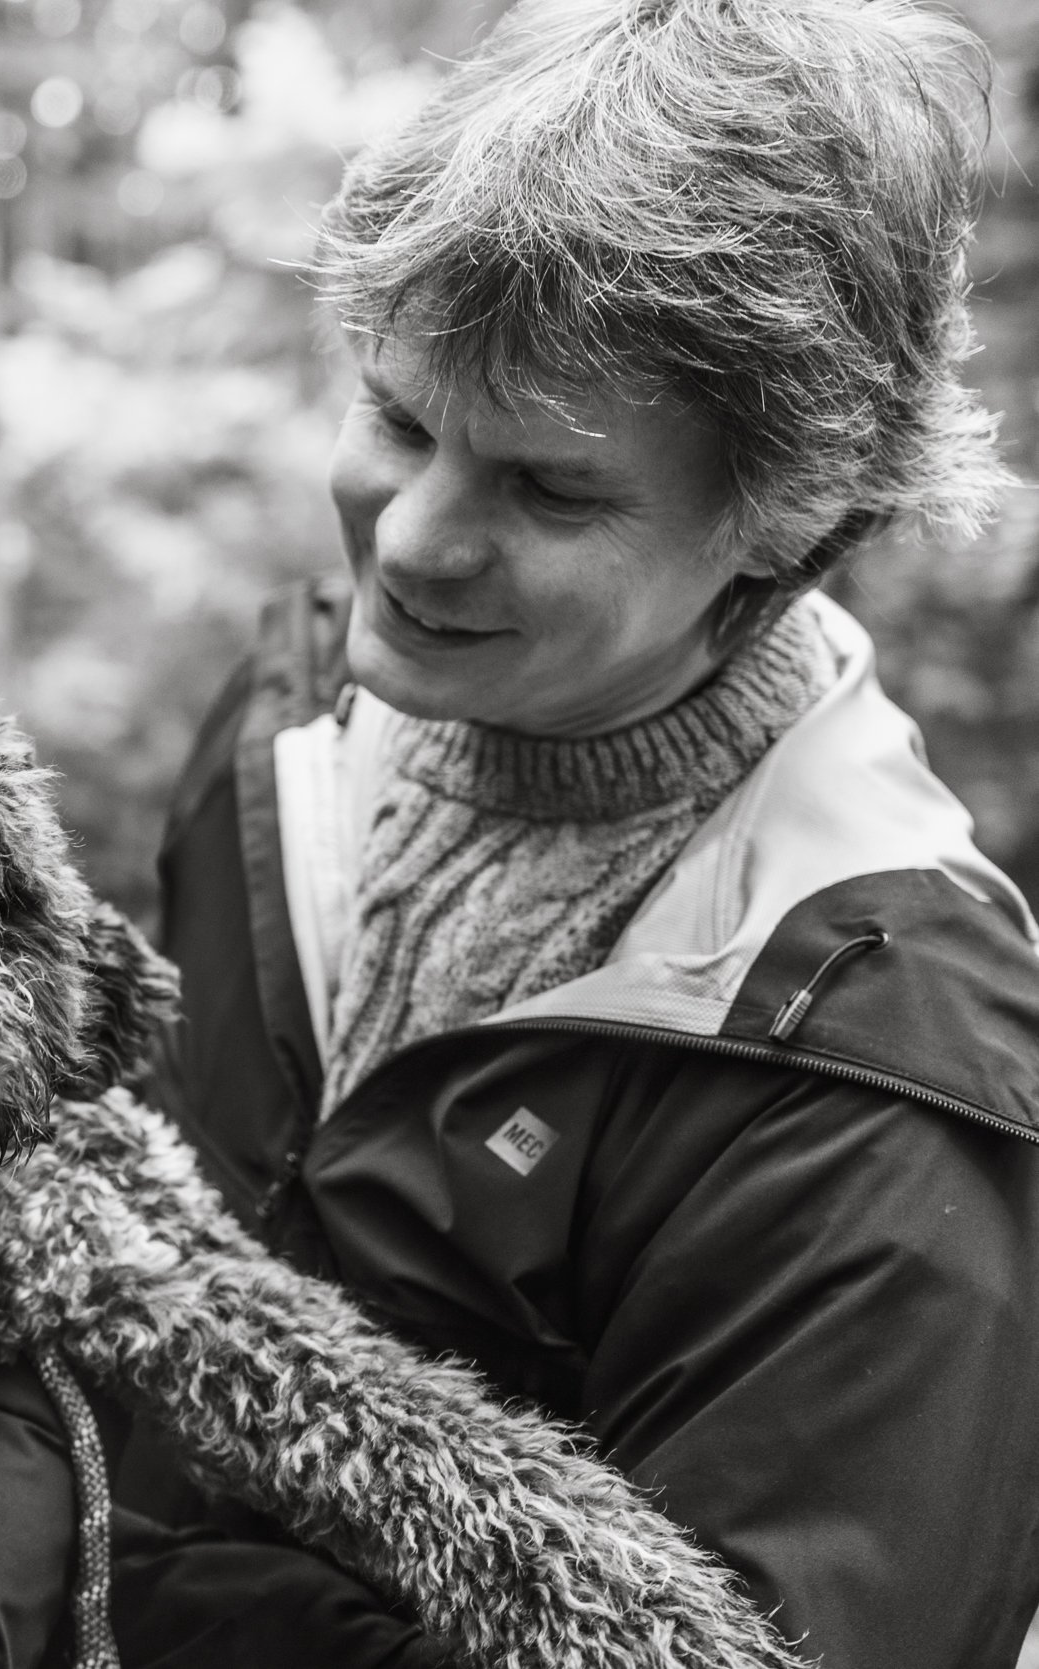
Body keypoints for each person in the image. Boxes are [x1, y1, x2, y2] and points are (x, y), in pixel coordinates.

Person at [148, 1, 1039, 1666]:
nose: (411, 542)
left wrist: (119, 1582)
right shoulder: (285, 726)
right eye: (401, 420)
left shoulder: (876, 1058)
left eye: (550, 492)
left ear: (788, 508)